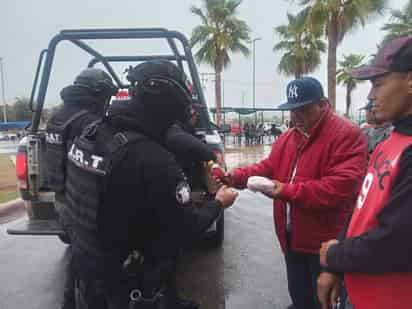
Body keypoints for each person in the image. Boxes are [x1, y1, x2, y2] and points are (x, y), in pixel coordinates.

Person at [65, 60, 238, 309]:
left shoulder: (91, 133)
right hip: (127, 286)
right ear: (169, 104)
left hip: (86, 269)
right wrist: (219, 203)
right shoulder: (154, 161)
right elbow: (186, 229)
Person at [216, 77, 367, 309]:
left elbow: (339, 189)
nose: (296, 117)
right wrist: (235, 176)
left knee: (325, 302)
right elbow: (267, 168)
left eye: (304, 110)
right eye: (292, 110)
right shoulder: (289, 137)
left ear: (323, 105)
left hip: (325, 243)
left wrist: (286, 191)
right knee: (299, 298)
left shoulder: (347, 135)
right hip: (290, 239)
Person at [317, 35, 412, 309]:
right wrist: (337, 267)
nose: (371, 96)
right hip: (360, 292)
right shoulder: (390, 143)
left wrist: (336, 255)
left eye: (379, 83)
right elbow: (361, 209)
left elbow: (397, 242)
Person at [45, 68, 118, 309]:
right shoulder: (87, 122)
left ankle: (70, 302)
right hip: (79, 201)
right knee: (90, 261)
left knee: (79, 253)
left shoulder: (58, 117)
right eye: (106, 97)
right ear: (96, 94)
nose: (106, 104)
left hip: (62, 197)